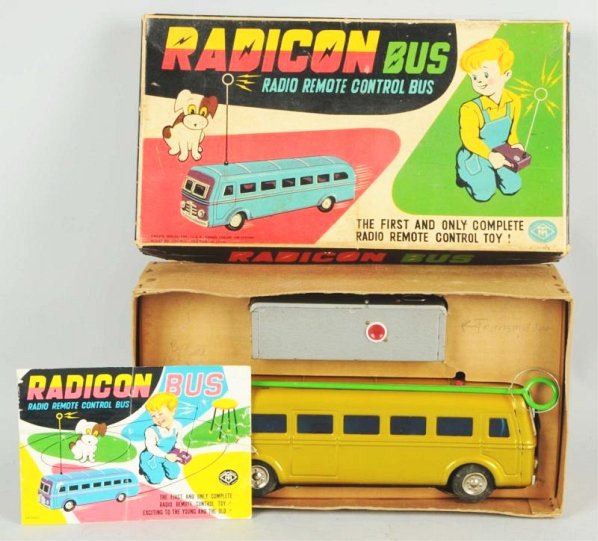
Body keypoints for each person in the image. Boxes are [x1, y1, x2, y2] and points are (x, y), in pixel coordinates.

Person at [456, 38, 524, 202]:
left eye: (485, 74)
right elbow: (470, 140)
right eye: (474, 77)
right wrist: (490, 155)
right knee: (484, 194)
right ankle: (463, 173)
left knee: (513, 187)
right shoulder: (470, 109)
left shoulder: (514, 101)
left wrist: (515, 145)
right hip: (476, 154)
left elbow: (512, 132)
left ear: (506, 75)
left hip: (502, 152)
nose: (479, 81)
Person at [139, 392, 184, 484]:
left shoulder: (177, 425)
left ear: (172, 411)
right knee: (156, 480)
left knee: (174, 474)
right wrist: (166, 456)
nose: (158, 418)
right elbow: (151, 447)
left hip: (169, 455)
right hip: (152, 457)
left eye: (160, 414)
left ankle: (162, 467)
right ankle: (144, 466)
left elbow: (178, 441)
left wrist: (180, 449)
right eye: (153, 416)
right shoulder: (151, 431)